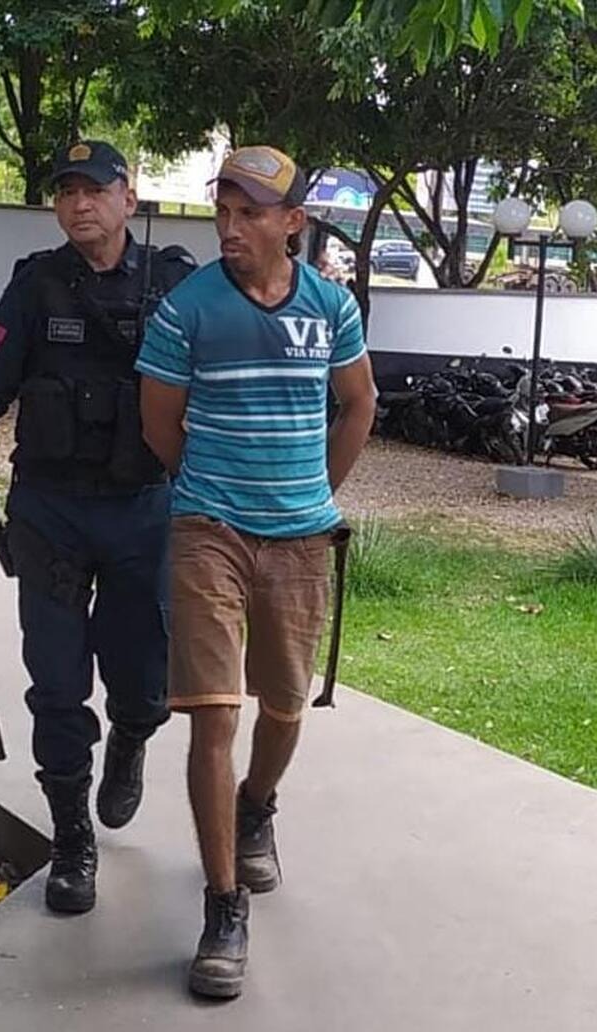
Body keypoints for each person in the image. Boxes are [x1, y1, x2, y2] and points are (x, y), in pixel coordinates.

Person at [0, 140, 196, 915]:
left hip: (144, 511)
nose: (81, 204)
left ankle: (132, 739)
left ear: (128, 200)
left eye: (96, 190)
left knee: (144, 681)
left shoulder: (176, 287)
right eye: (67, 192)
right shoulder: (34, 290)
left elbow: (220, 394)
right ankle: (72, 837)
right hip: (52, 515)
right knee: (59, 682)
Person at [136, 145, 377, 999]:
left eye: (249, 214)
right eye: (222, 213)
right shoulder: (186, 309)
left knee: (284, 702)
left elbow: (359, 403)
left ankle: (258, 808)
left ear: (291, 224)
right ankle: (222, 905)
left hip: (301, 539)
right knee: (212, 717)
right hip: (208, 531)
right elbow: (161, 422)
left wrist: (314, 490)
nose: (230, 230)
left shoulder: (331, 307)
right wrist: (208, 495)